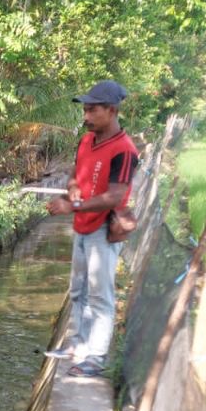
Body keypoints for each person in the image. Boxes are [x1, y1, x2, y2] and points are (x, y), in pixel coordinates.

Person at [45, 80, 140, 377]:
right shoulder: (87, 140)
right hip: (83, 225)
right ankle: (77, 345)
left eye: (91, 110)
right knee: (78, 290)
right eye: (84, 110)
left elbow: (114, 196)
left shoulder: (124, 150)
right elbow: (76, 174)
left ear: (111, 111)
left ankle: (95, 358)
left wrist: (71, 206)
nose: (85, 117)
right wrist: (72, 189)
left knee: (100, 295)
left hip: (103, 228)